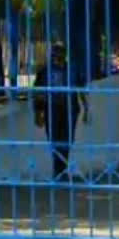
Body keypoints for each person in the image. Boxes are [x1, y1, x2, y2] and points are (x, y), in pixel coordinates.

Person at [33, 42, 90, 181]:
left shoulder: (72, 69)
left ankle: (61, 171)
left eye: (60, 51)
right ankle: (58, 171)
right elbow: (38, 92)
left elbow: (81, 89)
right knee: (54, 140)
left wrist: (86, 108)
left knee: (66, 140)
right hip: (52, 109)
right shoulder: (45, 71)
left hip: (70, 109)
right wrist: (38, 112)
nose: (57, 55)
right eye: (55, 51)